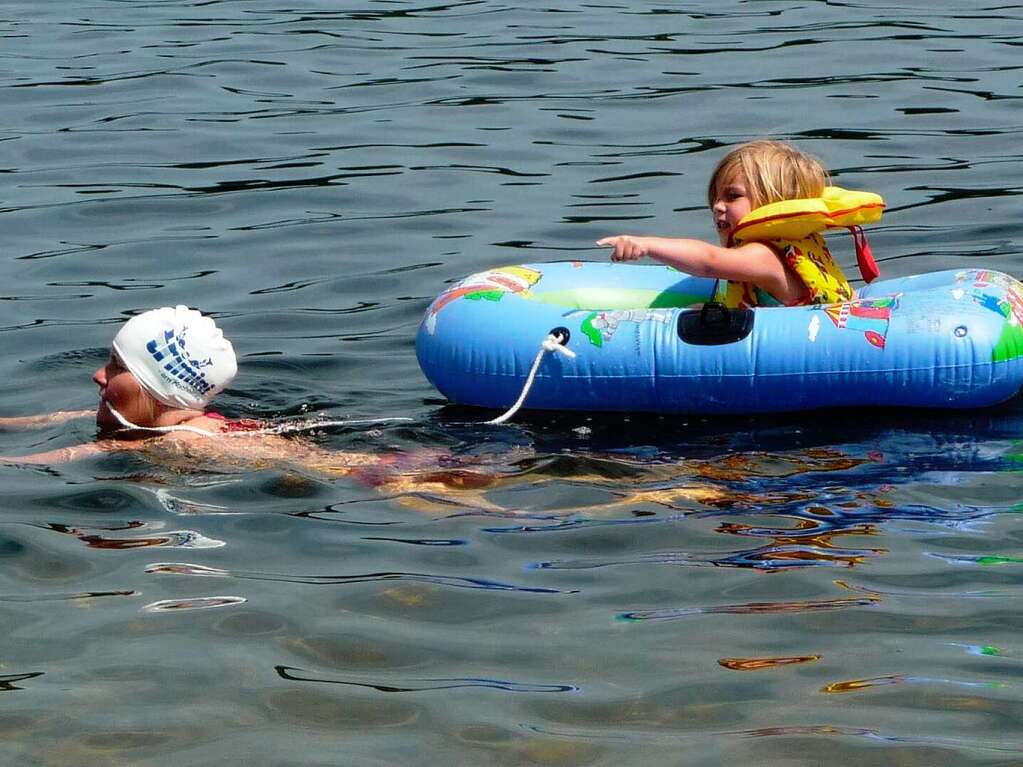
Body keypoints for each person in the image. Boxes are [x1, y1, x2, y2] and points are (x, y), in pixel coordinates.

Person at [597, 139, 881, 308]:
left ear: (775, 201)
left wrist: (646, 245)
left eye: (732, 196)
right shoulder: (796, 245)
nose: (718, 205)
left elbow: (708, 262)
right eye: (716, 197)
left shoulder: (764, 256)